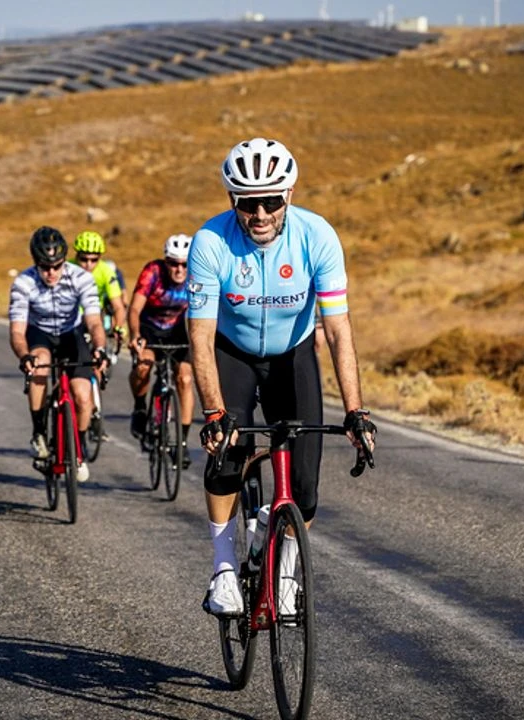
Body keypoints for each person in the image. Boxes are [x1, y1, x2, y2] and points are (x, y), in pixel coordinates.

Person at [189, 137, 376, 616]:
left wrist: (355, 410)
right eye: (248, 203)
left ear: (288, 196)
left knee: (306, 485)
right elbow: (201, 335)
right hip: (233, 354)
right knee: (228, 453)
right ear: (234, 200)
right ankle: (224, 568)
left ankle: (288, 570)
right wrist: (213, 412)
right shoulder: (211, 242)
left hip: (293, 355)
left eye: (271, 201)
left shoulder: (318, 236)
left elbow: (337, 328)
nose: (260, 214)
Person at [8, 227, 110, 481]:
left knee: (82, 395)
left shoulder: (80, 278)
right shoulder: (24, 283)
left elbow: (95, 322)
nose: (51, 272)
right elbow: (18, 331)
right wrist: (24, 356)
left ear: (65, 261)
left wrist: (99, 348)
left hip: (70, 334)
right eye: (45, 267)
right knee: (39, 364)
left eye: (57, 266)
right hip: (39, 333)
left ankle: (81, 445)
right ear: (36, 263)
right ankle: (39, 432)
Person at [128, 234, 194, 469]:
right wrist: (135, 335)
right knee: (143, 366)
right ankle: (139, 406)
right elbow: (134, 308)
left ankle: (183, 443)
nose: (179, 269)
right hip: (149, 328)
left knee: (185, 378)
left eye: (184, 264)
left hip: (177, 330)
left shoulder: (198, 274)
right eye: (173, 263)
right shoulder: (153, 272)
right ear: (165, 261)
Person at [73, 230, 128, 347]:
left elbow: (118, 306)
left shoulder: (106, 271)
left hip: (95, 312)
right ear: (76, 255)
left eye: (94, 260)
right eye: (83, 259)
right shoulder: (67, 268)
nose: (88, 265)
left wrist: (118, 327)